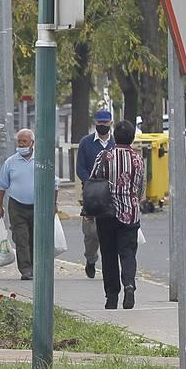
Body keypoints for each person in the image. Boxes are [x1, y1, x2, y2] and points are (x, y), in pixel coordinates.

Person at [94, 121, 147, 310]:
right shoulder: (138, 160)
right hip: (130, 213)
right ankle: (129, 285)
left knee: (108, 255)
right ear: (132, 138)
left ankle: (111, 296)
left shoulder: (105, 156)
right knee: (128, 253)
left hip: (106, 213)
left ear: (114, 136)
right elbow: (141, 188)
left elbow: (93, 180)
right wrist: (133, 200)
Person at [0, 129, 38, 281]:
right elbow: (2, 185)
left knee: (35, 238)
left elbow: (54, 183)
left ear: (32, 143)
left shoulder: (40, 161)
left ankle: (35, 266)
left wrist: (53, 204)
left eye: (24, 141)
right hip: (17, 205)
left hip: (37, 206)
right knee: (21, 238)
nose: (21, 144)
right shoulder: (10, 162)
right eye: (19, 141)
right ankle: (25, 269)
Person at [75, 109, 113, 279]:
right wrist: (90, 182)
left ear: (111, 123)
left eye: (105, 123)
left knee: (111, 231)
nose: (102, 126)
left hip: (112, 194)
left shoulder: (116, 142)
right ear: (95, 123)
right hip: (91, 194)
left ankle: (109, 265)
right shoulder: (86, 142)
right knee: (90, 233)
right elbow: (80, 168)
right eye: (99, 123)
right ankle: (91, 259)